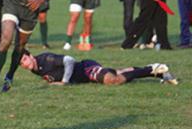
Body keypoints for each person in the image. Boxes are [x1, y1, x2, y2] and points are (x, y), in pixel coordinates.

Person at [20, 50, 178, 85]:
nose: (25, 64)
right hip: (85, 77)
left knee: (112, 80)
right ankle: (156, 72)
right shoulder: (35, 69)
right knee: (118, 72)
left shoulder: (45, 58)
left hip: (86, 69)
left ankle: (150, 70)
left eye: (25, 59)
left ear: (31, 55)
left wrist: (65, 81)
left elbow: (69, 59)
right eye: (22, 64)